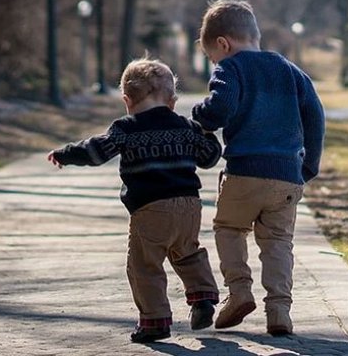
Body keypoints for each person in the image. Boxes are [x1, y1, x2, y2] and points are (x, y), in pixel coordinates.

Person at [47, 58, 222, 343]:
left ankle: (155, 321)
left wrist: (66, 154)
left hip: (150, 208)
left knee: (144, 265)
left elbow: (96, 152)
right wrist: (207, 133)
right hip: (189, 206)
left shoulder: (126, 128)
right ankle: (202, 297)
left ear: (127, 101)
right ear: (172, 102)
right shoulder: (185, 126)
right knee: (188, 252)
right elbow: (210, 157)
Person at [193, 0, 325, 336]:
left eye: (213, 57)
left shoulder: (231, 68)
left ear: (223, 44)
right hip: (287, 176)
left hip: (245, 172)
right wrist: (308, 165)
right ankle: (279, 310)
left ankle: (239, 292)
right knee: (278, 241)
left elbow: (220, 108)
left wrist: (200, 116)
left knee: (229, 228)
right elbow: (315, 115)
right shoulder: (290, 70)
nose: (215, 62)